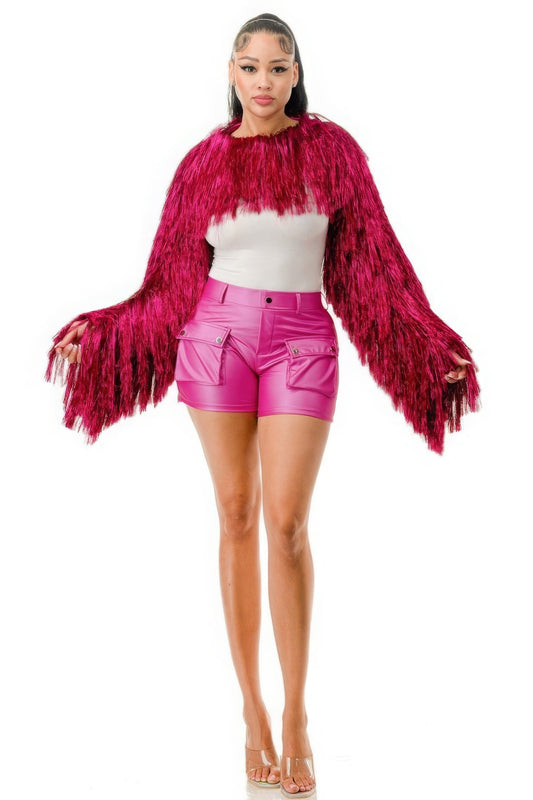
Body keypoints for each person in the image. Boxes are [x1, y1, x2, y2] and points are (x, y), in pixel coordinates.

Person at [48, 13, 480, 797]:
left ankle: (295, 714)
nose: (262, 81)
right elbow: (166, 284)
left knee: (286, 524)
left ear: (296, 73)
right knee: (236, 514)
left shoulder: (332, 151)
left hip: (301, 339)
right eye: (248, 66)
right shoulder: (202, 164)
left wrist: (427, 339)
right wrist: (102, 334)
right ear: (230, 72)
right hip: (214, 335)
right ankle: (251, 712)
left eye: (277, 67)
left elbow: (376, 266)